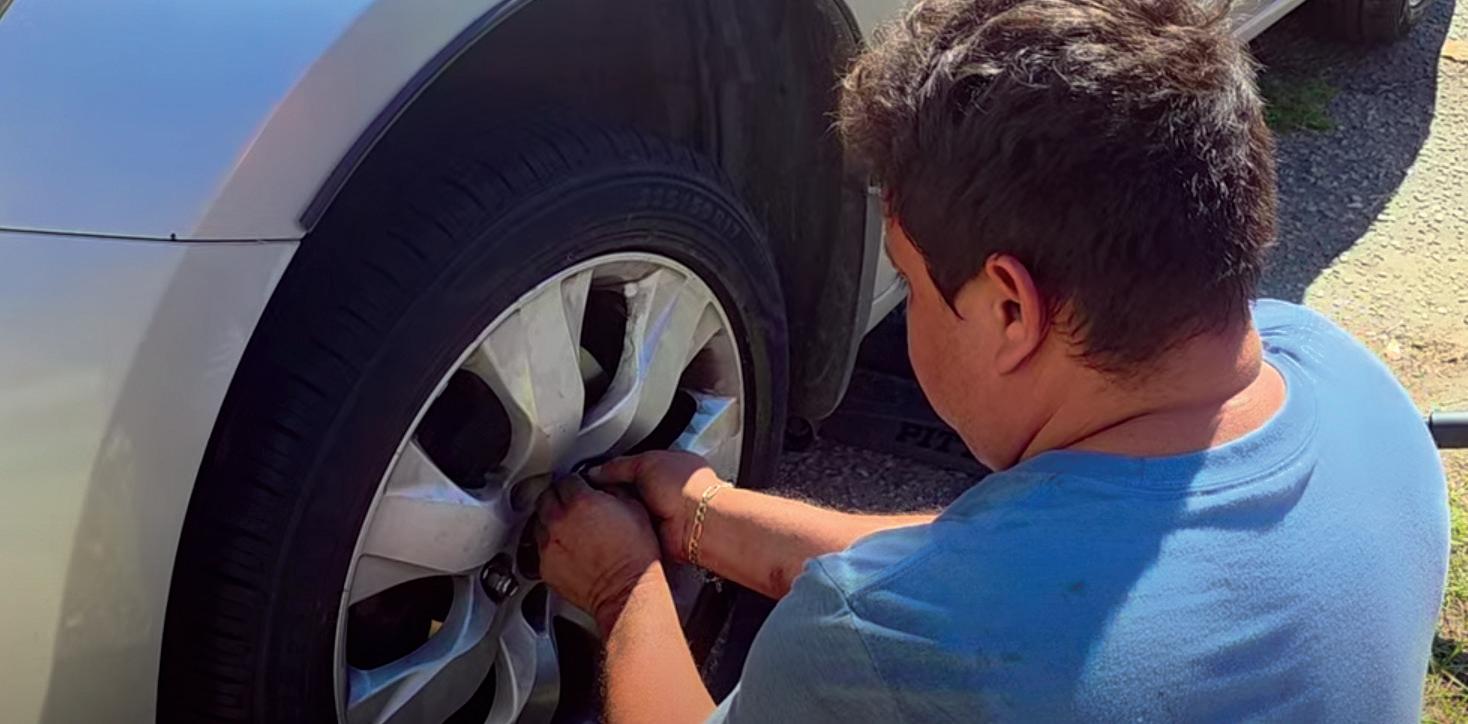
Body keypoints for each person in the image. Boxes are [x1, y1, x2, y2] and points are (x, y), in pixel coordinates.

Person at [533, 0, 1450, 719]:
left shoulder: (883, 654)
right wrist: (707, 516)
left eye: (911, 283)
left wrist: (622, 588)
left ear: (1010, 308)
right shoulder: (1350, 386)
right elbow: (1004, 564)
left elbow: (941, 611)